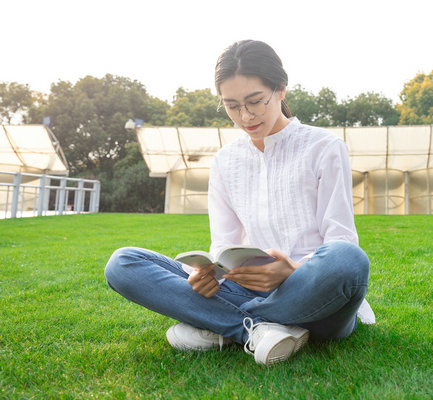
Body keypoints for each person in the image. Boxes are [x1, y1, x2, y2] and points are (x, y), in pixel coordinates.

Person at [104, 40, 374, 366]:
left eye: (255, 102)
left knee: (348, 260)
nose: (245, 116)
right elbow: (223, 247)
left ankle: (222, 325)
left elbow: (341, 239)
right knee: (123, 264)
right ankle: (254, 330)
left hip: (313, 292)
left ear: (281, 90)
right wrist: (206, 274)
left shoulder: (324, 147)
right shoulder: (225, 162)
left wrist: (292, 271)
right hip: (245, 288)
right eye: (231, 106)